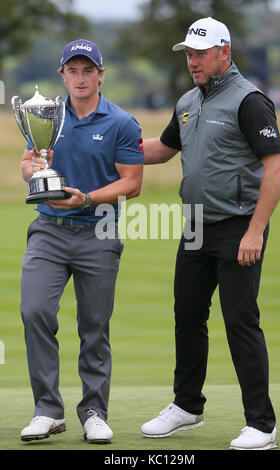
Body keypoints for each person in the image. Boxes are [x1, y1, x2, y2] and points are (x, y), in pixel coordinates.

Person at [140, 17, 280, 450]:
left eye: (200, 53)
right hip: (195, 228)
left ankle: (262, 425)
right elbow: (161, 150)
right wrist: (99, 145)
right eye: (188, 54)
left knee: (240, 321)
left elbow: (276, 168)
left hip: (239, 227)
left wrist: (255, 231)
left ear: (224, 51)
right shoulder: (188, 100)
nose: (192, 61)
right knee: (187, 316)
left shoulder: (250, 100)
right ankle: (187, 406)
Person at [19, 39, 144, 444]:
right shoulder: (47, 114)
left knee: (94, 326)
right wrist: (33, 169)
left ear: (100, 75)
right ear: (63, 76)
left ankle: (94, 411)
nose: (80, 77)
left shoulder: (121, 122)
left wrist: (87, 197)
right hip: (49, 229)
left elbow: (133, 182)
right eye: (72, 70)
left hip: (99, 230)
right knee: (34, 310)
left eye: (87, 70)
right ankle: (47, 410)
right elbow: (27, 161)